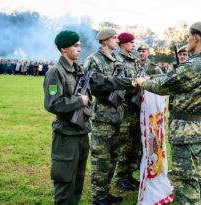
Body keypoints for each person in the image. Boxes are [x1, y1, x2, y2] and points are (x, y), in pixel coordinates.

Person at [44, 30, 136, 205]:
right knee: (65, 179)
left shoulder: (78, 70)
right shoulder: (56, 72)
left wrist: (129, 82)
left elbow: (102, 82)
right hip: (66, 133)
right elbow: (52, 104)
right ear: (64, 49)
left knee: (78, 178)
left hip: (81, 131)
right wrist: (79, 100)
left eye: (80, 45)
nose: (80, 49)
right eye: (76, 46)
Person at [135, 22, 201, 205]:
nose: (187, 40)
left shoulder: (195, 65)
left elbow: (165, 85)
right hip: (200, 125)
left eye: (189, 36)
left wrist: (143, 82)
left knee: (185, 182)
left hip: (186, 130)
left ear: (196, 38)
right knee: (198, 176)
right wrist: (152, 77)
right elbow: (173, 77)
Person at [83, 28, 134, 205]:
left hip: (118, 114)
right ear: (104, 41)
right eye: (113, 38)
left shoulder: (117, 59)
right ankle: (98, 197)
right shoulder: (93, 60)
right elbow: (94, 85)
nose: (116, 40)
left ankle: (105, 192)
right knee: (101, 159)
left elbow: (127, 81)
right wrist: (120, 83)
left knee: (113, 156)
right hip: (103, 116)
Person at [115, 32, 140, 191]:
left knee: (134, 144)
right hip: (124, 108)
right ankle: (120, 177)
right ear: (123, 43)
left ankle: (129, 174)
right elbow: (118, 83)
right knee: (124, 144)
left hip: (135, 108)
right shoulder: (117, 61)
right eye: (131, 42)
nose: (133, 45)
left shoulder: (135, 60)